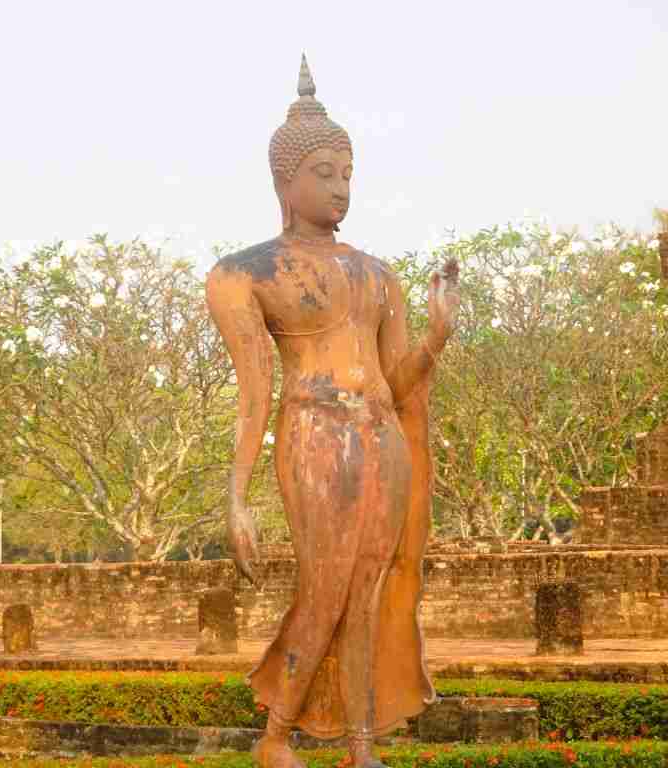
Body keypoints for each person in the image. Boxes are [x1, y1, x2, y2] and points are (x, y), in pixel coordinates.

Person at [205, 54, 460, 768]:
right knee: (324, 586)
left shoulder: (377, 273)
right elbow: (254, 392)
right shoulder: (245, 272)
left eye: (348, 173)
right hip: (315, 431)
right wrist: (236, 497)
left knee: (367, 593)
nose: (341, 188)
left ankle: (360, 744)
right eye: (324, 173)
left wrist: (437, 335)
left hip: (381, 436)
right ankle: (276, 737)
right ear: (285, 180)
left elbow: (397, 382)